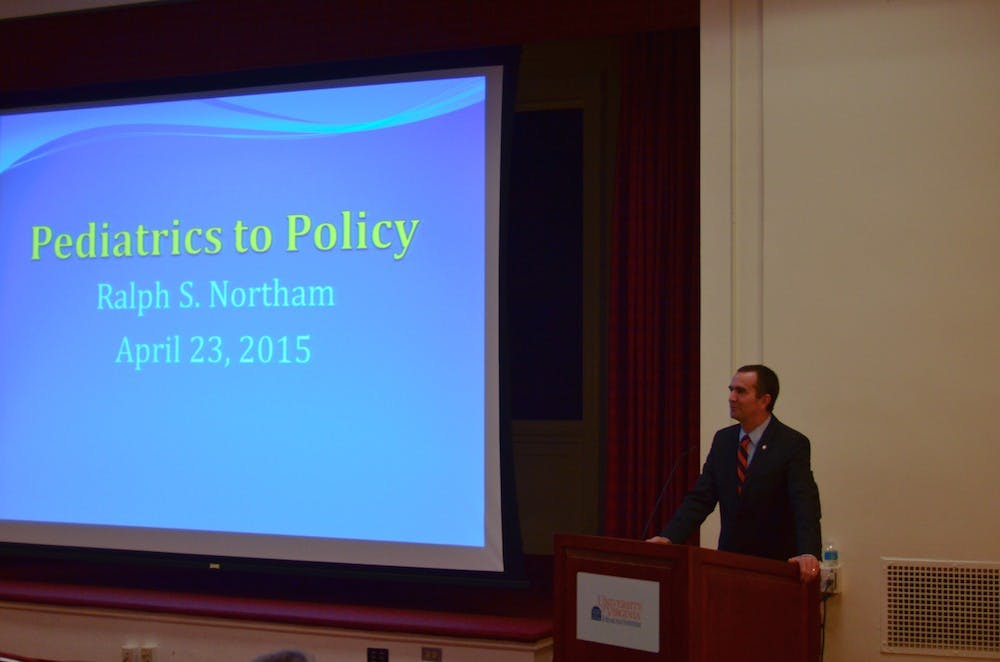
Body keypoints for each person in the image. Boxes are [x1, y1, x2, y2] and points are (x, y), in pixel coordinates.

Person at [647, 364, 823, 582]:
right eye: (731, 390)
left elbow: (804, 502)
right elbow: (701, 499)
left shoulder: (791, 443)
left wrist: (808, 553)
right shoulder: (724, 440)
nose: (731, 397)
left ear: (764, 400)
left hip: (775, 567)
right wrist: (669, 538)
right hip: (729, 564)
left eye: (740, 391)